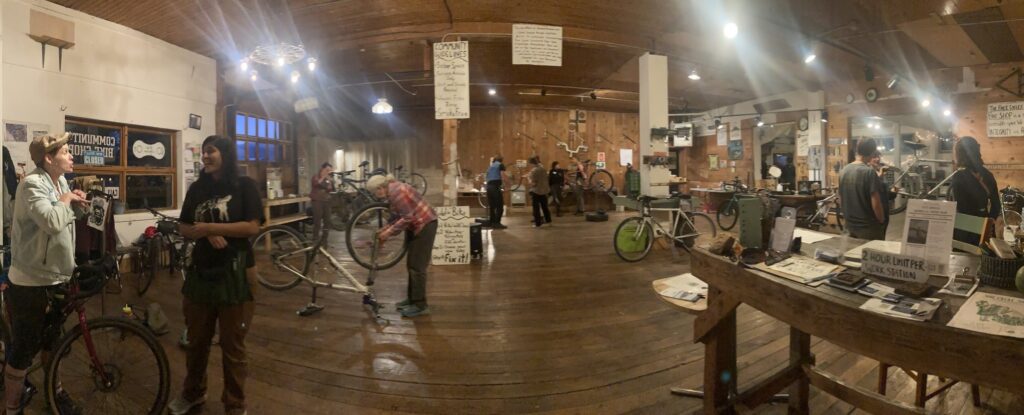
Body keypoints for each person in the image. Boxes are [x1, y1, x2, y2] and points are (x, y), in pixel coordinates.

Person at [169, 135, 264, 415]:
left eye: (210, 151)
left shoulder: (244, 185)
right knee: (197, 341)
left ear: (225, 153)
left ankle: (235, 405)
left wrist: (211, 229)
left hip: (236, 272)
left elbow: (252, 227)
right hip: (201, 271)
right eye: (203, 152)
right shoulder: (198, 188)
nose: (205, 157)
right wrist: (206, 233)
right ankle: (193, 394)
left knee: (233, 345)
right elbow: (184, 227)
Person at [5, 133, 89, 414]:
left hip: (56, 277)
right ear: (49, 158)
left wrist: (73, 204)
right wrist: (65, 200)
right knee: (23, 349)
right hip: (30, 283)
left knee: (54, 342)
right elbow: (52, 221)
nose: (71, 155)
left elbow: (62, 219)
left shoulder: (60, 181)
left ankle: (56, 391)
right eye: (66, 151)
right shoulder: (31, 184)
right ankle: (12, 406)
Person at [367, 174, 437, 318]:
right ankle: (412, 299)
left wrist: (387, 233)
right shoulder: (393, 190)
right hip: (418, 225)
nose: (376, 196)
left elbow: (407, 218)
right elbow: (397, 217)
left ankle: (420, 305)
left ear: (380, 188)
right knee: (411, 264)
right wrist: (385, 230)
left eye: (375, 192)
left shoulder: (396, 193)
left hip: (425, 224)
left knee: (418, 267)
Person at [838, 139, 887, 240]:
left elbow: (841, 199)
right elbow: (876, 204)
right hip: (868, 230)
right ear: (872, 152)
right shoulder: (869, 172)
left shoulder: (843, 171)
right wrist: (882, 221)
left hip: (848, 228)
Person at [949, 136, 999, 228]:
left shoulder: (959, 176)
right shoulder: (988, 174)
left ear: (959, 153)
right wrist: (989, 224)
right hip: (984, 225)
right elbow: (996, 205)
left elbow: (960, 208)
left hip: (964, 228)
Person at [310, 162, 335, 243]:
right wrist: (323, 177)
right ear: (322, 169)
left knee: (327, 221)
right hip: (317, 201)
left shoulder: (328, 178)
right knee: (317, 221)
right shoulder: (316, 176)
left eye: (330, 171)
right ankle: (315, 240)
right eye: (327, 170)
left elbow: (330, 189)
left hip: (326, 201)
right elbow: (316, 183)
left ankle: (324, 240)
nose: (328, 172)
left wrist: (331, 182)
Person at [527, 157, 552, 227]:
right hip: (544, 190)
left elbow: (533, 183)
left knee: (536, 208)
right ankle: (549, 221)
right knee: (545, 207)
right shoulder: (543, 169)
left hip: (536, 191)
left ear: (532, 163)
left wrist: (528, 179)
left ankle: (538, 223)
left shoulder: (534, 171)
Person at [485, 155, 507, 229]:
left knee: (492, 206)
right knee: (500, 206)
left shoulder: (490, 167)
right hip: (495, 187)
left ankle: (492, 222)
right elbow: (502, 175)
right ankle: (497, 223)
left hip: (489, 187)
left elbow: (486, 177)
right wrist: (504, 185)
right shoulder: (500, 165)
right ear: (501, 160)